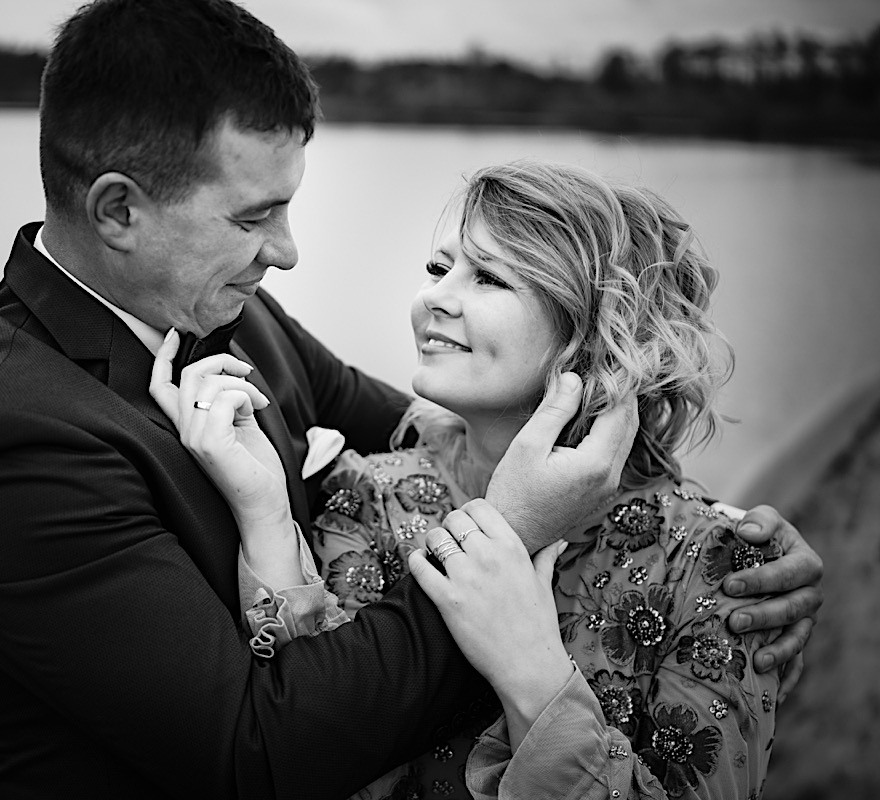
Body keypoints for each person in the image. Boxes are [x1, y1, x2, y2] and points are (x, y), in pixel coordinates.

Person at [0, 0, 822, 797]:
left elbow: (440, 428)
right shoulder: (4, 439)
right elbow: (254, 755)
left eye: (286, 206)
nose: (287, 251)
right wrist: (506, 537)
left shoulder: (230, 307)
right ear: (118, 211)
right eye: (254, 216)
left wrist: (703, 529)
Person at [153, 160, 800, 798]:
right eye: (439, 268)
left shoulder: (714, 561)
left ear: (594, 329)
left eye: (489, 277)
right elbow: (304, 744)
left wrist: (532, 674)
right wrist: (266, 515)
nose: (434, 297)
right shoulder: (372, 496)